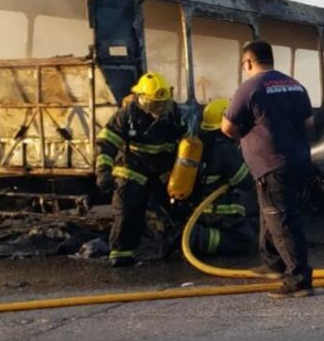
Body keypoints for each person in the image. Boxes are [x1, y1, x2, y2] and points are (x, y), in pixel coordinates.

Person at [221, 40, 315, 298]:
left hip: (272, 163)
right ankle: (273, 264)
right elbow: (309, 122)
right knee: (270, 213)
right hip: (298, 161)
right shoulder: (295, 85)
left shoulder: (249, 88)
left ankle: (299, 280)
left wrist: (246, 137)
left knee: (283, 222)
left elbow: (227, 128)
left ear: (248, 62)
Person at [95, 72, 184, 267]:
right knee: (128, 212)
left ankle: (177, 246)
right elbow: (106, 143)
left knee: (177, 210)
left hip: (162, 173)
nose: (159, 109)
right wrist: (103, 172)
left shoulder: (174, 115)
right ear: (142, 100)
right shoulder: (127, 116)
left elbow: (185, 141)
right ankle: (121, 254)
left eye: (163, 104)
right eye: (154, 105)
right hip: (132, 171)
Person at [188, 98, 257, 256]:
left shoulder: (203, 144)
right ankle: (196, 238)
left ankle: (196, 235)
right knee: (243, 241)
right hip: (219, 212)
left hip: (201, 210)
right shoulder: (225, 150)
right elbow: (246, 182)